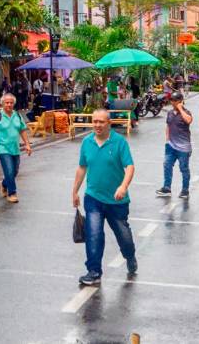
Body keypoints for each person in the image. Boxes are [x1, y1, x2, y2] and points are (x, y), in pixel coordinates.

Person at [72, 109, 137, 286]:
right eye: (95, 122)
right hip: (93, 198)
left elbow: (130, 167)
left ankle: (130, 256)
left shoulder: (119, 142)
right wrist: (75, 191)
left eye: (101, 122)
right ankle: (94, 272)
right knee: (93, 234)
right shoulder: (87, 142)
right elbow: (82, 168)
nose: (97, 125)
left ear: (109, 123)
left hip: (117, 201)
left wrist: (123, 186)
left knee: (124, 237)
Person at [0, 93, 31, 203]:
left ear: (14, 104)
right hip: (3, 148)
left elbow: (22, 130)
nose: (9, 105)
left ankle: (4, 183)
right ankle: (12, 193)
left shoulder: (17, 115)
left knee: (15, 171)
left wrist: (27, 144)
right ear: (2, 103)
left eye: (11, 103)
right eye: (7, 103)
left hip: (15, 148)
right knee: (9, 170)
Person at [157, 93, 193, 199]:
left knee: (184, 169)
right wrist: (167, 140)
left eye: (175, 100)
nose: (172, 102)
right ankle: (167, 188)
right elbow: (168, 126)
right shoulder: (170, 113)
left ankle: (185, 190)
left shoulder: (186, 113)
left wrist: (180, 109)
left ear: (180, 101)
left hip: (184, 148)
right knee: (167, 165)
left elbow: (189, 120)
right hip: (171, 146)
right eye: (171, 100)